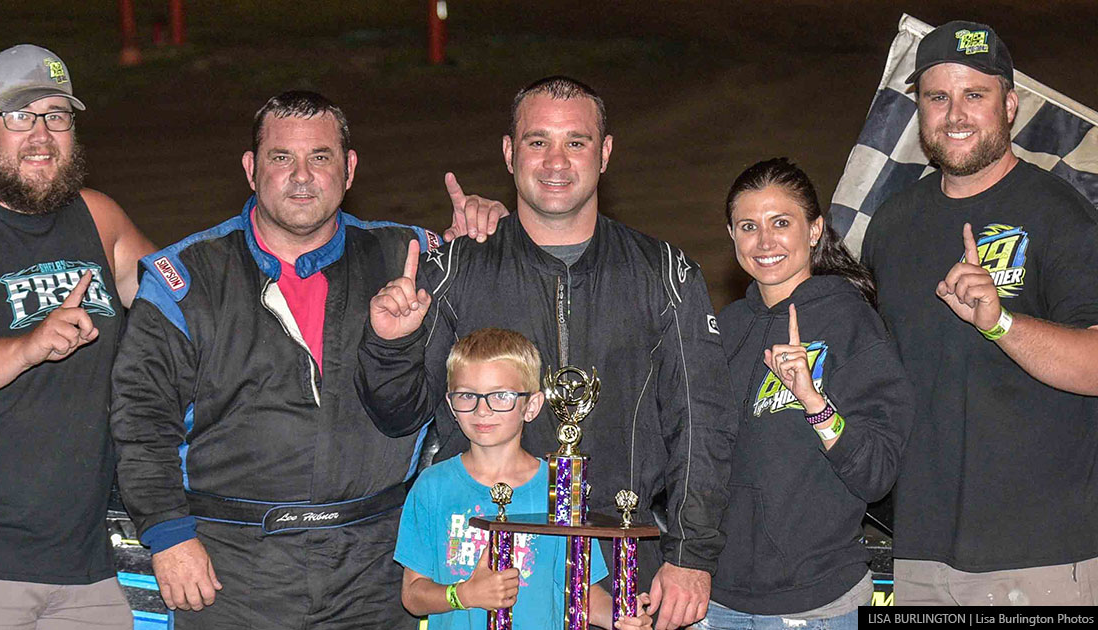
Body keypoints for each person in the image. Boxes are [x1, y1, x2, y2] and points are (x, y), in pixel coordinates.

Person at [107, 90, 504, 629]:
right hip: (232, 568)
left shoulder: (407, 257)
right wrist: (169, 536)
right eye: (280, 158)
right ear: (250, 169)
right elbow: (141, 421)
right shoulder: (185, 281)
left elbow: (499, 338)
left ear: (349, 169)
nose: (301, 175)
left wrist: (495, 237)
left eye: (320, 157)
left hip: (377, 567)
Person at [359, 76, 739, 629]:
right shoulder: (455, 269)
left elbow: (702, 423)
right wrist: (390, 347)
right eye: (538, 142)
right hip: (490, 574)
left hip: (626, 573)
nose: (556, 162)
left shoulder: (665, 272)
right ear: (510, 154)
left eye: (576, 142)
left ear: (605, 153)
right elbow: (399, 414)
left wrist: (691, 555)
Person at [0, 44, 155, 628]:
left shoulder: (98, 217)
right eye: (19, 116)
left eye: (57, 116)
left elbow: (186, 309)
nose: (41, 135)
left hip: (85, 567)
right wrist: (27, 347)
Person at [861, 20, 1098, 605]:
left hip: (1041, 556)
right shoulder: (891, 225)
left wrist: (1001, 322)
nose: (955, 114)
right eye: (937, 98)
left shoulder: (1059, 212)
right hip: (917, 551)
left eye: (975, 95)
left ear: (1010, 105)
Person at [708, 158, 911, 627]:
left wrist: (816, 404)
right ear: (732, 235)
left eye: (781, 222)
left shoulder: (850, 322)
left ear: (815, 229)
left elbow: (878, 473)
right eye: (748, 226)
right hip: (717, 602)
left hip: (817, 603)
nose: (764, 242)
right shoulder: (725, 328)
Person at [396, 327, 652, 629]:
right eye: (467, 395)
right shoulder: (432, 486)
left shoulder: (560, 490)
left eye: (501, 396)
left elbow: (583, 594)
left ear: (531, 406)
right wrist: (463, 594)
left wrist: (621, 616)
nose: (482, 410)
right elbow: (413, 595)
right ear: (452, 404)